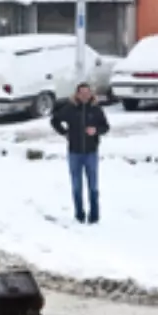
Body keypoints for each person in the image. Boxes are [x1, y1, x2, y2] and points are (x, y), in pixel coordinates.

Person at [50, 82, 110, 224]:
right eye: (81, 93)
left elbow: (106, 126)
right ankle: (79, 215)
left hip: (91, 153)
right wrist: (64, 133)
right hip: (74, 153)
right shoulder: (70, 109)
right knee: (77, 186)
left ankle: (94, 216)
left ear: (91, 94)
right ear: (77, 94)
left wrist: (96, 131)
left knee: (93, 187)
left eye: (87, 93)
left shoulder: (96, 109)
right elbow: (55, 120)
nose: (84, 95)